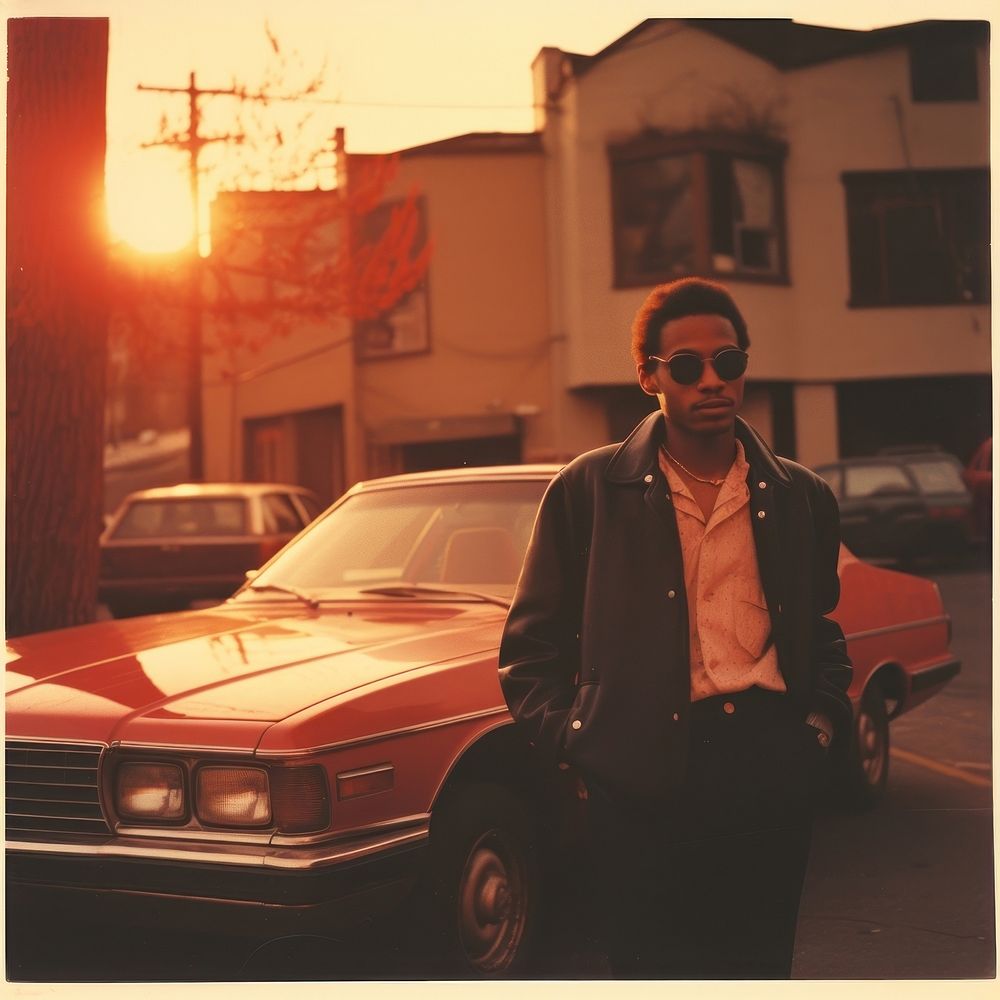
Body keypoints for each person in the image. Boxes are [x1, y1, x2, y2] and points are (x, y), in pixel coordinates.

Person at [498, 277, 853, 979]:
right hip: (640, 778)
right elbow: (529, 650)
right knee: (652, 970)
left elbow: (821, 629)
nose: (711, 380)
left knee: (756, 969)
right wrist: (583, 744)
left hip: (768, 765)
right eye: (687, 367)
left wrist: (816, 727)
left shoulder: (799, 495)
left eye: (729, 361)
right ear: (649, 377)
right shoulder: (589, 489)